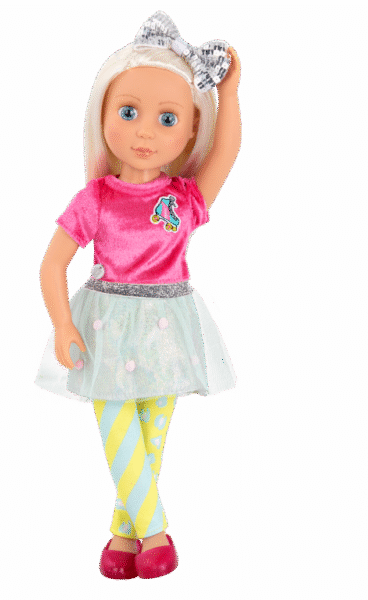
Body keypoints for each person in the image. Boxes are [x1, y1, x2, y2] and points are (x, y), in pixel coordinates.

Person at [35, 11, 241, 579]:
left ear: (191, 130)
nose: (146, 132)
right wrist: (63, 324)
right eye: (129, 112)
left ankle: (121, 538)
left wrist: (229, 93)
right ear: (101, 114)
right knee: (117, 427)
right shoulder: (96, 198)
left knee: (150, 435)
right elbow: (53, 262)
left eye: (167, 118)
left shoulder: (185, 197)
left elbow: (226, 154)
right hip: (104, 320)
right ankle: (156, 535)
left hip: (168, 322)